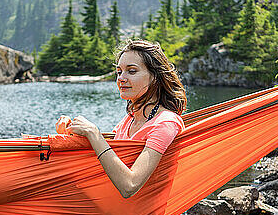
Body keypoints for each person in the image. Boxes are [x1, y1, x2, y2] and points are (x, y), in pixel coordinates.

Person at [55, 40, 187, 199]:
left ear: (155, 77)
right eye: (119, 72)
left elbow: (129, 185)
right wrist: (71, 132)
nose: (121, 78)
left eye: (131, 71)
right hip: (111, 209)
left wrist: (93, 133)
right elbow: (108, 161)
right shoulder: (130, 119)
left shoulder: (165, 123)